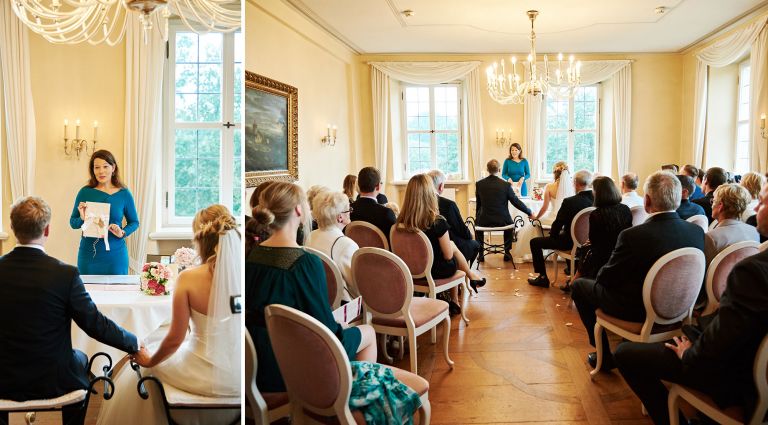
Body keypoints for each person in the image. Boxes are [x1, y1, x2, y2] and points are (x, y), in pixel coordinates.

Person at [614, 180, 768, 425]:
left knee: (624, 353)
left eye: (764, 201)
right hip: (745, 350)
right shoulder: (752, 237)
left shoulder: (751, 272)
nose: (758, 206)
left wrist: (689, 354)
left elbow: (720, 344)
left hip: (734, 371)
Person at [0, 197, 145, 425]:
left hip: (4, 379)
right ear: (47, 229)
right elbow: (94, 324)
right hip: (54, 380)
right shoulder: (64, 274)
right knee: (80, 358)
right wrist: (133, 343)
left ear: (12, 227)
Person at [98, 205, 241, 424]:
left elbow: (175, 338)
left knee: (141, 373)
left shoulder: (189, 278)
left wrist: (150, 360)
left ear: (200, 238)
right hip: (240, 373)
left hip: (200, 371)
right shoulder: (243, 274)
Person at [247, 181, 376, 392]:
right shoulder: (304, 263)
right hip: (293, 366)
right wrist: (339, 326)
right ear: (299, 210)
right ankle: (354, 400)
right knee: (368, 333)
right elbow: (325, 331)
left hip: (258, 361)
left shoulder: (252, 254)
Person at [570, 171, 704, 372]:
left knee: (579, 285)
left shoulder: (633, 236)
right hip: (680, 307)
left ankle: (604, 354)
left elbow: (606, 278)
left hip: (638, 309)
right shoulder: (696, 231)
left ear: (647, 201)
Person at [397, 174, 486, 311]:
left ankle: (458, 294)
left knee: (452, 246)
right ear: (429, 193)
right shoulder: (438, 221)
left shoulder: (399, 224)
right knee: (453, 251)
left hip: (410, 269)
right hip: (435, 270)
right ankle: (458, 295)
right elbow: (448, 256)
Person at [69, 150, 139, 275]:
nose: (101, 171)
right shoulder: (85, 192)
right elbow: (73, 223)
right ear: (93, 170)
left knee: (117, 293)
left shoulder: (124, 194)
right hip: (89, 255)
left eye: (105, 166)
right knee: (87, 293)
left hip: (116, 255)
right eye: (97, 167)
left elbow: (134, 222)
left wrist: (122, 232)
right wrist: (82, 218)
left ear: (113, 168)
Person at [527, 170, 594, 288]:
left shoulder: (570, 202)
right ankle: (572, 272)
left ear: (575, 183)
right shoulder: (596, 200)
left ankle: (543, 278)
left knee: (535, 242)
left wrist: (553, 237)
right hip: (590, 244)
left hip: (569, 242)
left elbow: (557, 224)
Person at [475, 159, 534, 262]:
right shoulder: (505, 185)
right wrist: (529, 212)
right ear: (499, 169)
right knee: (510, 223)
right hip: (502, 221)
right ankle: (507, 252)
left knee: (478, 222)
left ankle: (481, 254)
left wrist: (477, 217)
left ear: (487, 170)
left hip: (484, 220)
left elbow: (478, 204)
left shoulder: (479, 184)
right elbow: (515, 202)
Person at [306, 191, 360, 300]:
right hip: (341, 305)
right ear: (340, 217)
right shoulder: (346, 245)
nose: (350, 212)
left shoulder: (311, 236)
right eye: (348, 210)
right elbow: (357, 287)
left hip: (316, 298)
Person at [576, 176, 632, 280]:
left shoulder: (596, 214)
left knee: (585, 249)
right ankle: (575, 280)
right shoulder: (625, 209)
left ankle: (576, 281)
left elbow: (593, 240)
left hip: (603, 254)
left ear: (598, 193)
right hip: (622, 251)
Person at [428, 169, 481, 266]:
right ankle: (463, 274)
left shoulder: (418, 205)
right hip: (448, 247)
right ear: (440, 186)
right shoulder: (448, 205)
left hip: (427, 247)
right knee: (475, 245)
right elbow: (460, 229)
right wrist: (470, 236)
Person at [704, 183, 759, 264]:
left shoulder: (711, 237)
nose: (712, 205)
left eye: (713, 201)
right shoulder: (754, 231)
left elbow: (707, 271)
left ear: (720, 205)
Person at [350, 167, 396, 241]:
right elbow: (394, 241)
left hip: (356, 251)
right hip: (380, 252)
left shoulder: (348, 211)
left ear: (358, 185)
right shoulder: (386, 214)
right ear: (378, 187)